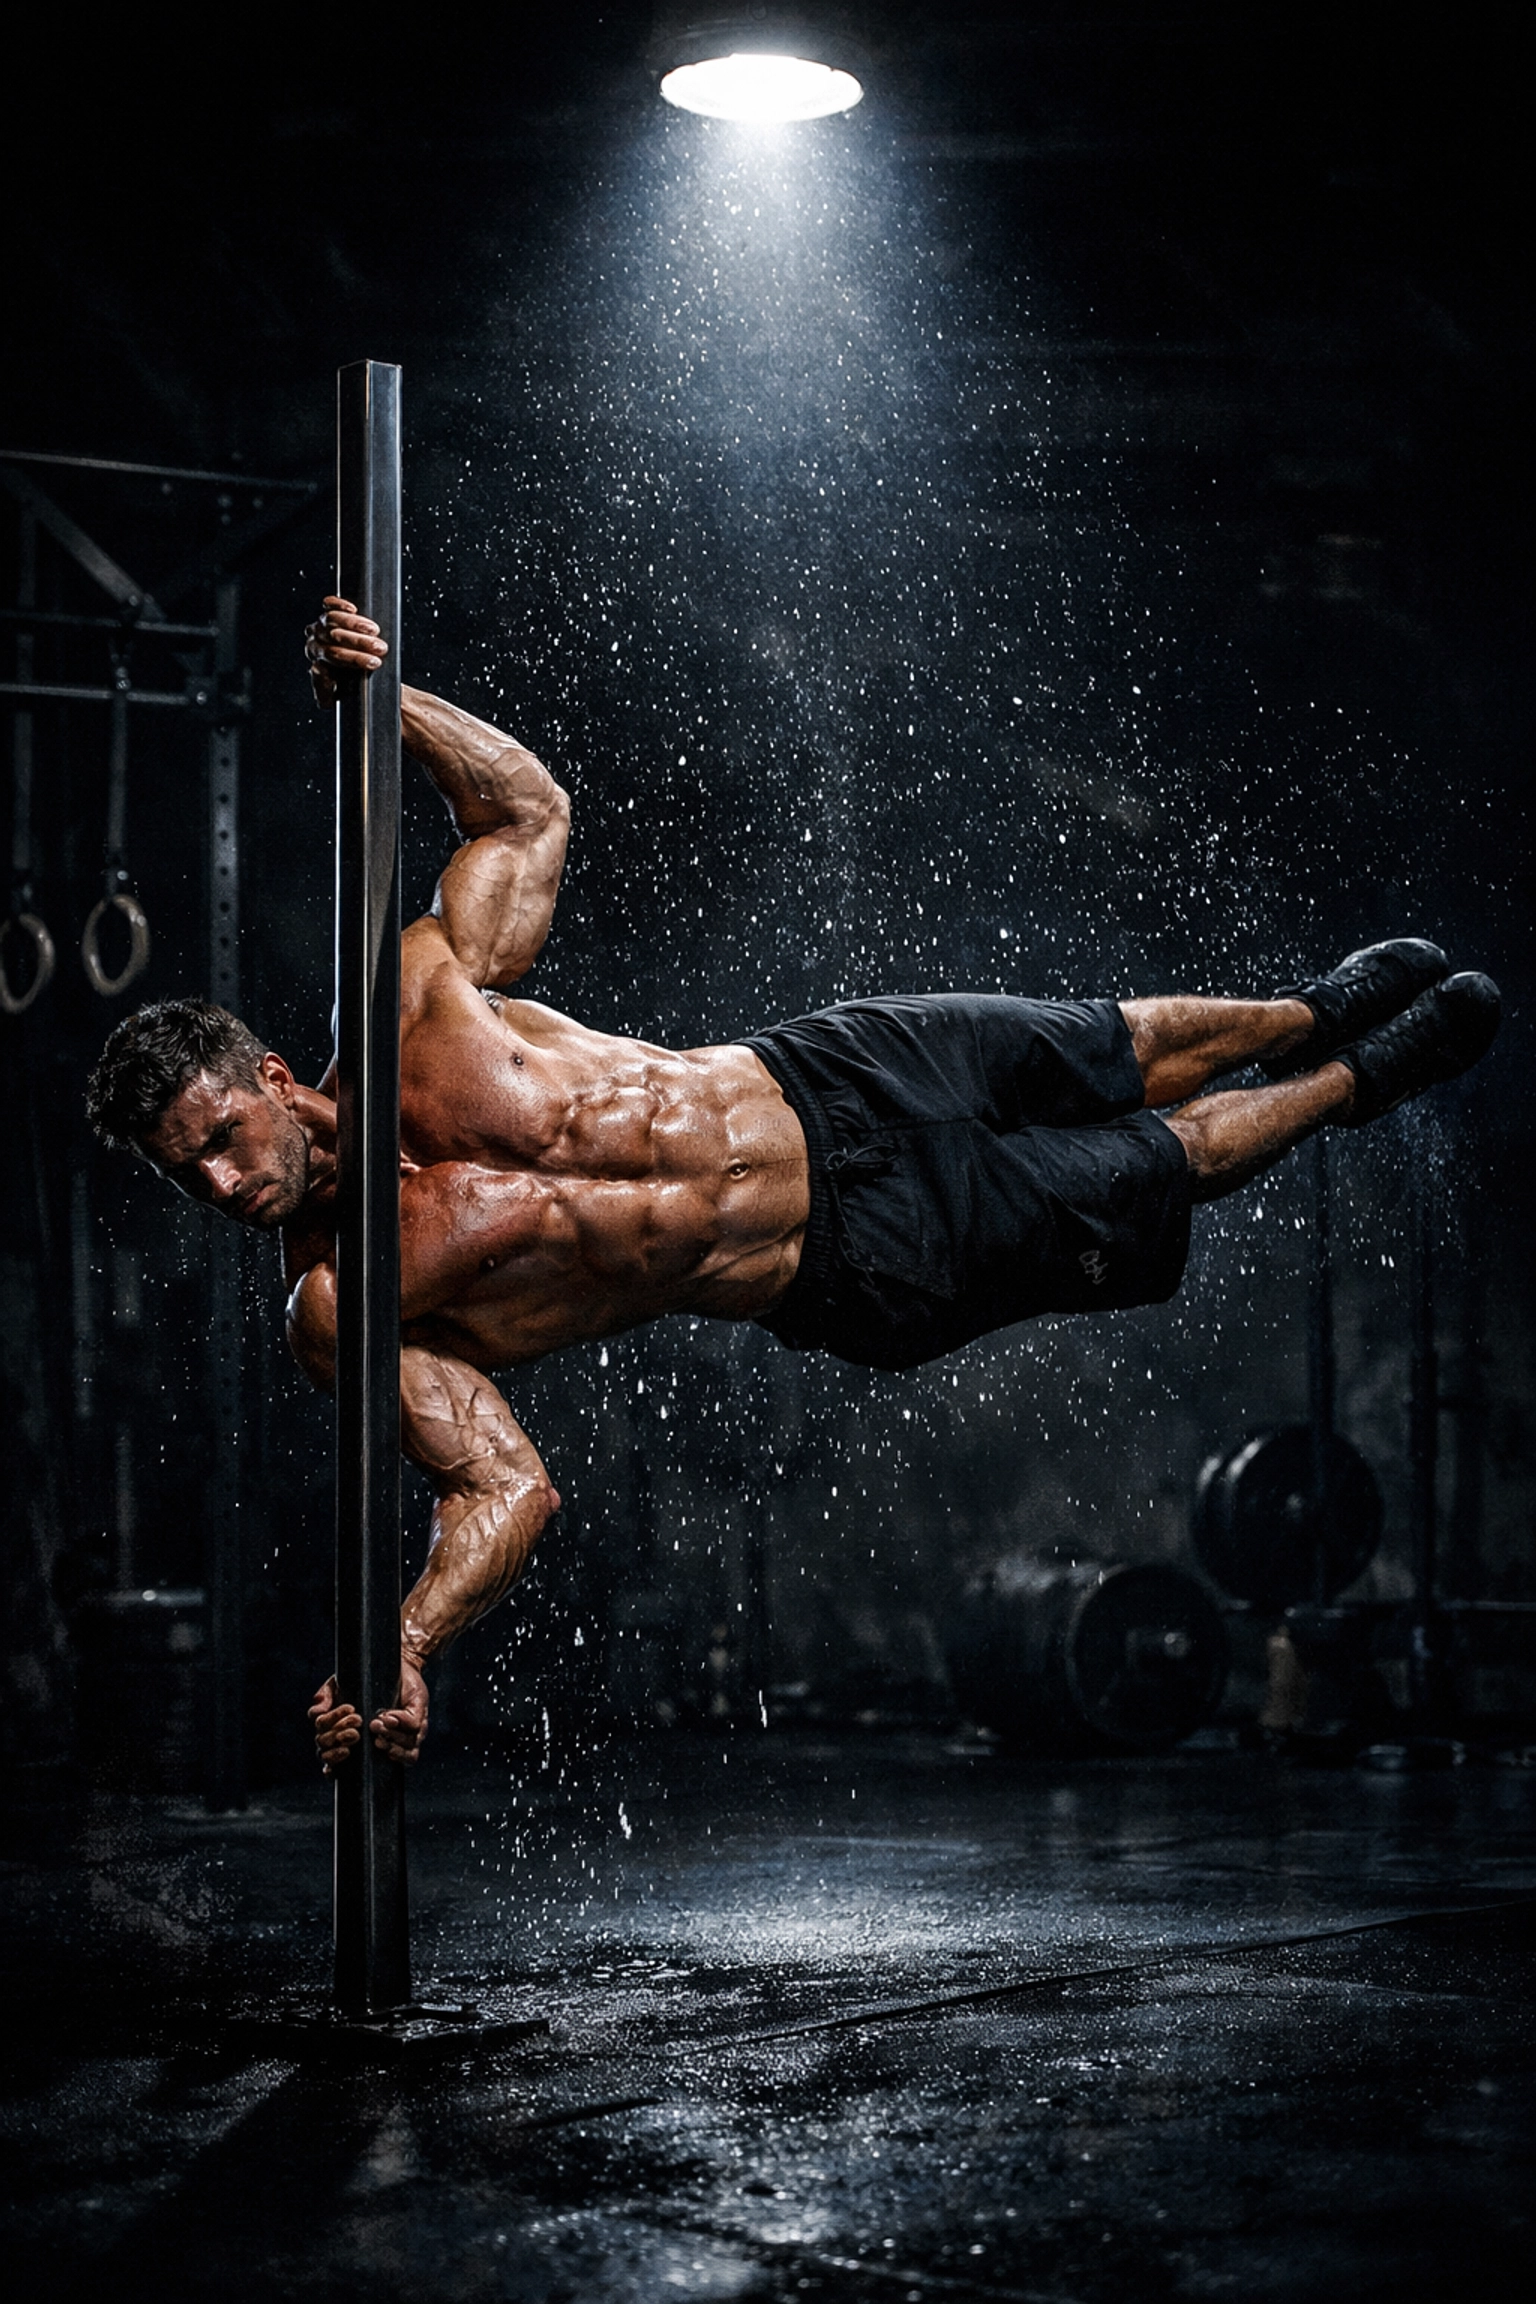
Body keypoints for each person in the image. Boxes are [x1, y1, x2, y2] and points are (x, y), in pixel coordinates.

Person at [85, 599, 1501, 1773]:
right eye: (184, 1174)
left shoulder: (415, 991)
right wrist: (407, 1637)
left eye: (218, 1138)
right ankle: (1354, 1086)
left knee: (1113, 1044)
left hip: (823, 1071)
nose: (215, 1183)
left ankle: (1310, 1017)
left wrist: (391, 693)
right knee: (1161, 1164)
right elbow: (502, 1485)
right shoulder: (340, 1305)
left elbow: (525, 811)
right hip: (848, 1255)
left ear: (274, 1078)